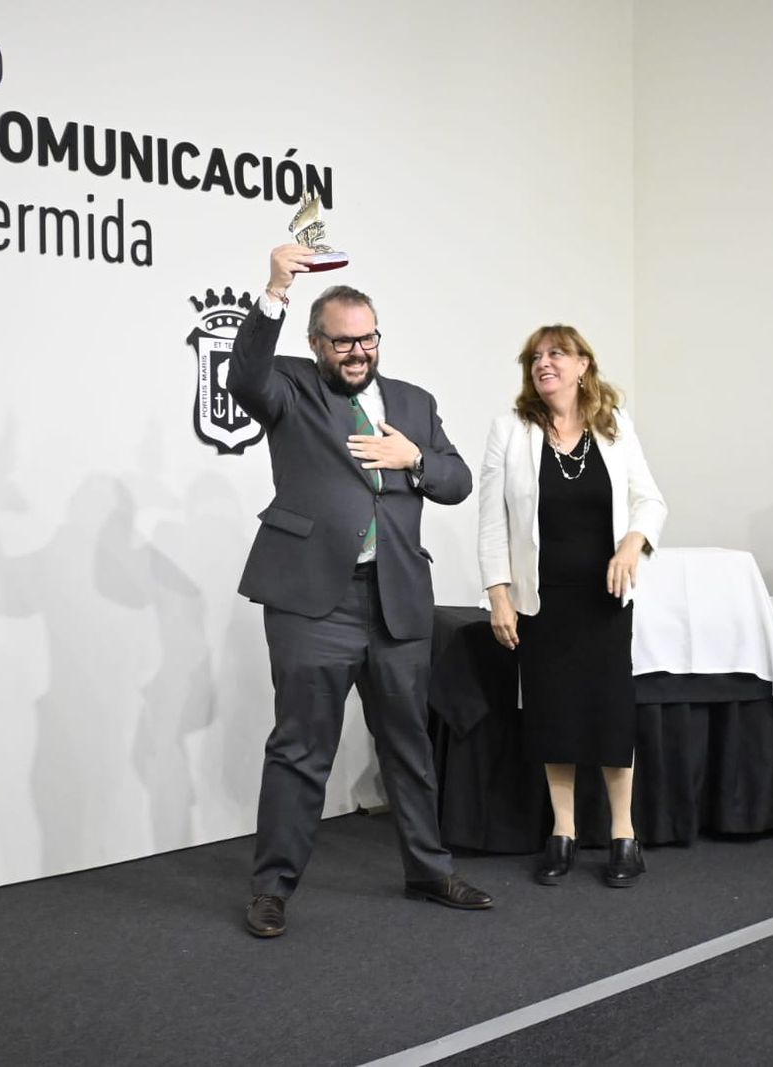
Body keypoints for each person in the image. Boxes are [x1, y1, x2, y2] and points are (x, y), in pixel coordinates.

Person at [228, 244, 492, 938]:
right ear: (317, 342)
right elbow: (244, 377)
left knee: (409, 745)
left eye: (368, 339)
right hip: (314, 601)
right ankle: (272, 888)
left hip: (397, 598)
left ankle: (429, 870)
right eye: (343, 341)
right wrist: (274, 290)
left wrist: (415, 458)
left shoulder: (413, 402)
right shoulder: (291, 386)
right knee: (300, 750)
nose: (358, 352)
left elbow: (458, 480)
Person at [477, 325, 666, 887]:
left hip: (604, 596)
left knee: (610, 713)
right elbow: (491, 522)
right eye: (535, 357)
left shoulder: (614, 426)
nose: (544, 363)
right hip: (542, 600)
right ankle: (562, 832)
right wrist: (499, 594)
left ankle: (624, 835)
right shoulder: (510, 430)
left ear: (584, 365)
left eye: (557, 353)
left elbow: (649, 500)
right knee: (552, 713)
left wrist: (632, 544)